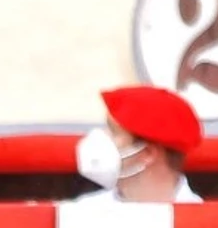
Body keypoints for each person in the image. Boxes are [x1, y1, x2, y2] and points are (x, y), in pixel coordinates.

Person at [73, 85, 204, 204]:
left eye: (113, 132)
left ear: (147, 153)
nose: (103, 138)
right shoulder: (84, 211)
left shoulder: (205, 222)